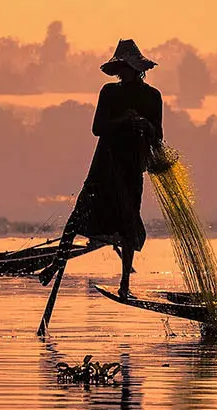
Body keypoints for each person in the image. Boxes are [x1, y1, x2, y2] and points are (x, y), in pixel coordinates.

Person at [57, 40, 164, 303]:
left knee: (129, 222)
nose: (123, 73)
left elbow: (158, 136)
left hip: (131, 168)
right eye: (121, 68)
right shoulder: (109, 93)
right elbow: (98, 128)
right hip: (104, 166)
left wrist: (144, 125)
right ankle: (55, 266)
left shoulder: (152, 97)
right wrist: (123, 120)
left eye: (127, 67)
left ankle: (125, 282)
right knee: (77, 217)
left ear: (137, 69)